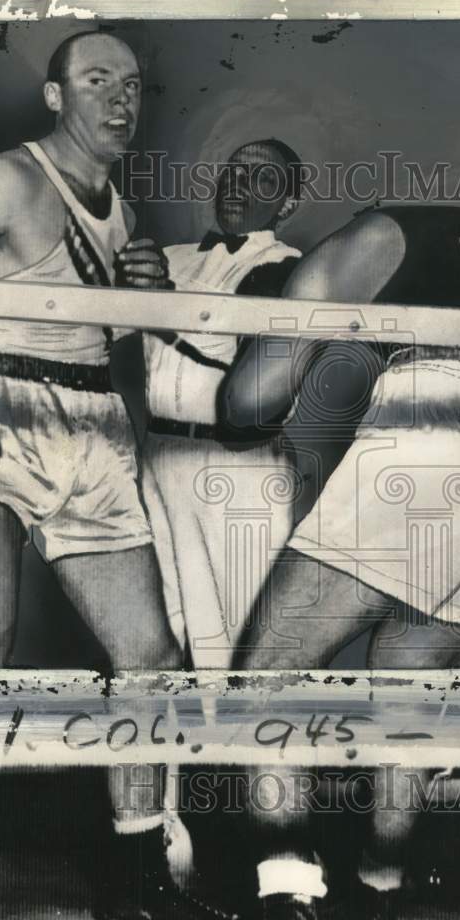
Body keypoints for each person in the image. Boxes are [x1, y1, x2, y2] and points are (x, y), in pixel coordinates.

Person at [0, 30, 235, 920]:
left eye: (132, 85)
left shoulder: (119, 207)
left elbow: (94, 332)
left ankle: (138, 878)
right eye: (96, 80)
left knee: (147, 657)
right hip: (2, 415)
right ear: (53, 94)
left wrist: (140, 297)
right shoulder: (4, 180)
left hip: (98, 430)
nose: (119, 99)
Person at [158, 203, 460, 920]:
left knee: (265, 675)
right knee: (407, 680)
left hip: (440, 436)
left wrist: (276, 319)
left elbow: (245, 403)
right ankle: (375, 903)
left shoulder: (368, 236)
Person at [141, 138, 304, 669]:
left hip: (239, 470)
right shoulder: (168, 258)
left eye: (261, 177)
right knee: (163, 636)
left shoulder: (290, 269)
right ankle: (179, 752)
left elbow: (251, 374)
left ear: (287, 204)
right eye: (233, 171)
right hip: (157, 454)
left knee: (236, 639)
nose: (238, 182)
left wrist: (161, 306)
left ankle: (248, 747)